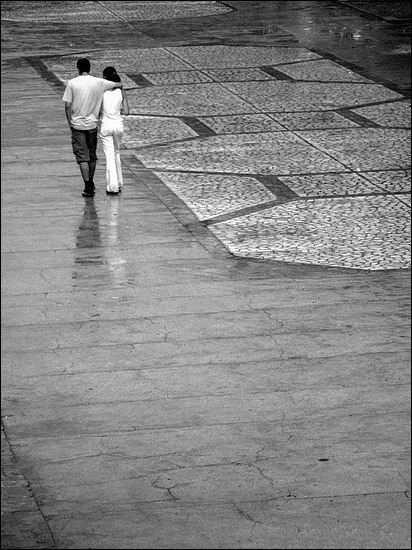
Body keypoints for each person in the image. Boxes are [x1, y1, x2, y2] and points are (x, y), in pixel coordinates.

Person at [62, 58, 123, 197]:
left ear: (78, 68)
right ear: (89, 68)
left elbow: (67, 105)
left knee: (82, 157)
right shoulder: (98, 82)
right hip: (92, 125)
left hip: (77, 125)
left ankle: (88, 185)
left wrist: (70, 122)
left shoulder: (72, 83)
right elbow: (118, 84)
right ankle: (91, 180)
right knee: (92, 155)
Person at [99, 66, 129, 195]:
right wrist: (117, 111)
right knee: (117, 152)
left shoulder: (102, 92)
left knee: (109, 156)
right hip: (118, 125)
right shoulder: (121, 92)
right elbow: (126, 111)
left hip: (106, 125)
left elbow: (98, 110)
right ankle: (120, 182)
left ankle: (112, 186)